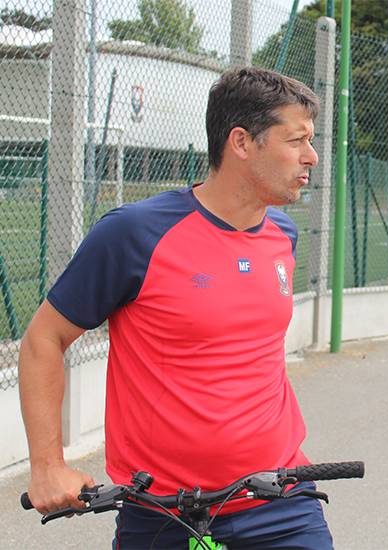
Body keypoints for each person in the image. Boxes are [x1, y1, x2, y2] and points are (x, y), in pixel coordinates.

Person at [18, 66, 333, 548]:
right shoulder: (135, 234)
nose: (311, 156)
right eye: (296, 141)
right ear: (242, 142)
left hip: (281, 498)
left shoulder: (283, 236)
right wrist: (46, 466)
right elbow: (45, 338)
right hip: (165, 513)